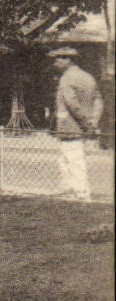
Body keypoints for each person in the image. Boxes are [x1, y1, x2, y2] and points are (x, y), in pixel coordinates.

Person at [50, 47, 103, 201]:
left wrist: (86, 123)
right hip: (84, 124)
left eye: (59, 58)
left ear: (68, 60)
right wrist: (94, 120)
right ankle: (68, 188)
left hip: (70, 126)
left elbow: (72, 103)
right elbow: (98, 100)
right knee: (65, 158)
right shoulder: (88, 77)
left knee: (73, 159)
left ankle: (81, 191)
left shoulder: (66, 78)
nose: (56, 62)